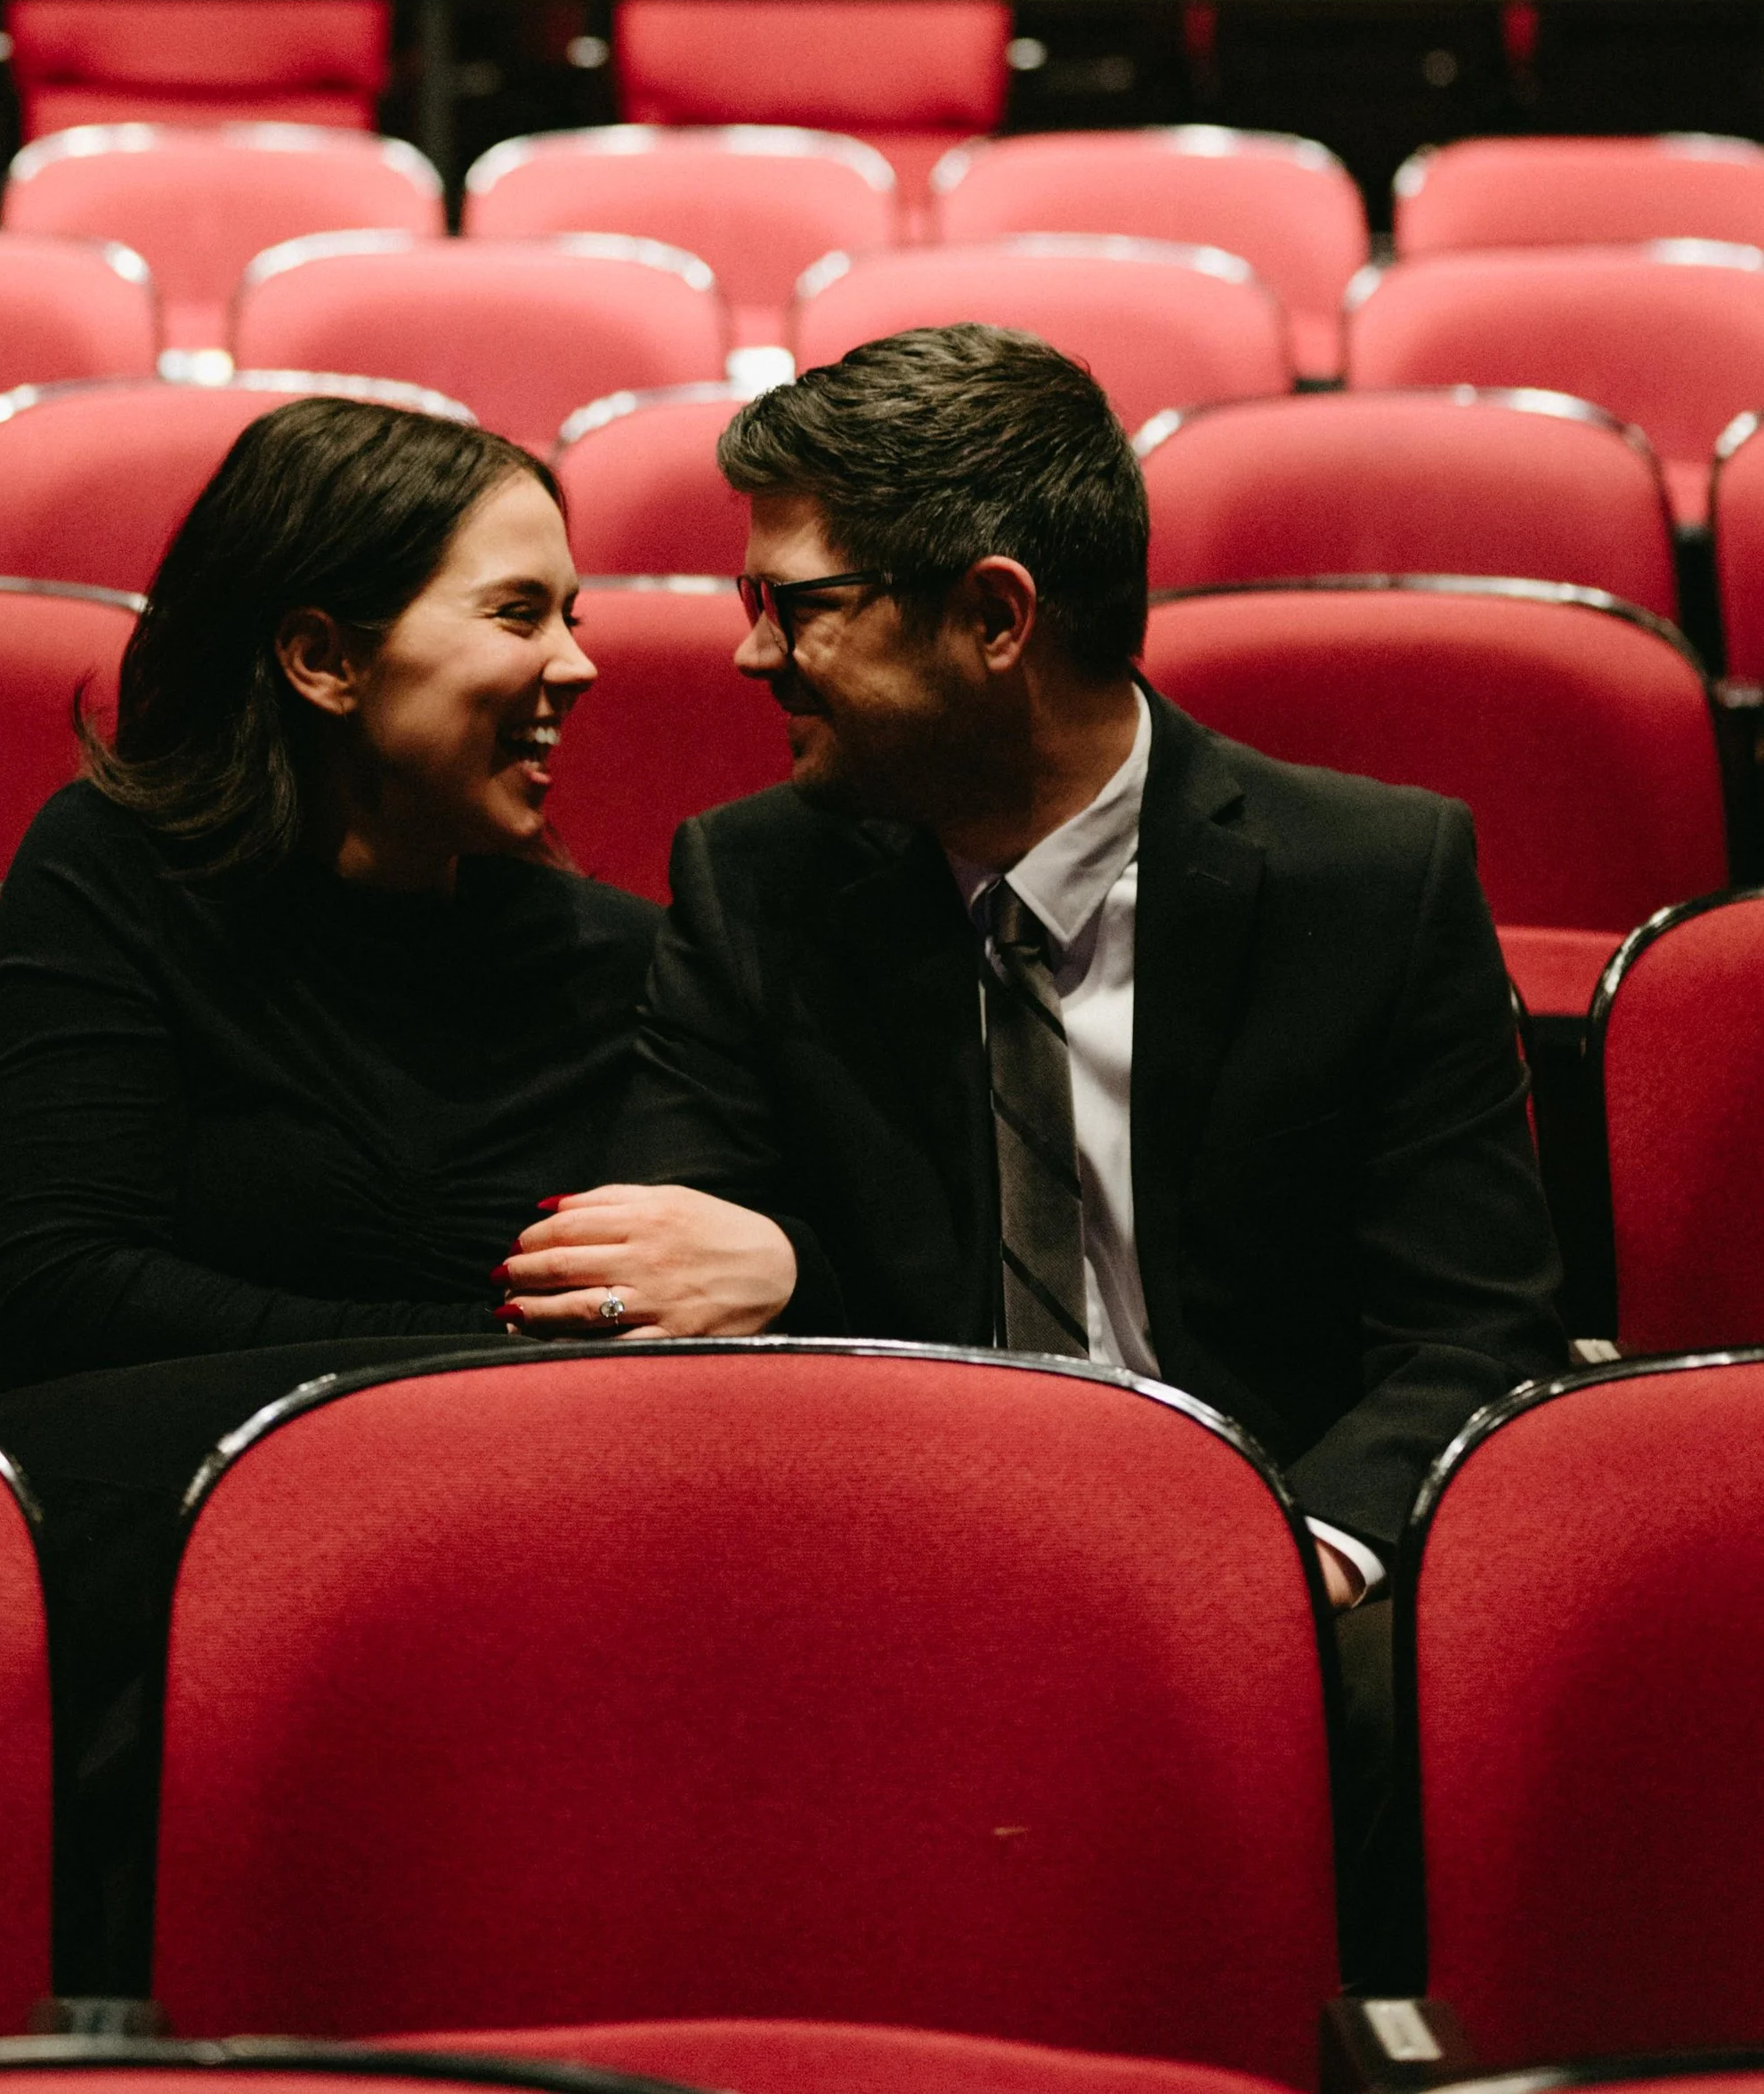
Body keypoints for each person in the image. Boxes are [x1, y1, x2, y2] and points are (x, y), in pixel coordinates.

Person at [495, 322, 1569, 1981]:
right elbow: (666, 1288)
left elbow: (1468, 1332)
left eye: (796, 604)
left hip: (1282, 1559)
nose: (748, 659)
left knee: (1412, 1698)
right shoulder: (755, 884)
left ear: (994, 617)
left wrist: (1283, 1555)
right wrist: (799, 1281)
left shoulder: (1371, 880)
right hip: (895, 1543)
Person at [0, 392, 658, 1982]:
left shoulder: (621, 962)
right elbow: (72, 1287)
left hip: (486, 1577)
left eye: (576, 614)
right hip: (136, 1539)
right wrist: (490, 1379)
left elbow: (667, 1327)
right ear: (323, 656)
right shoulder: (113, 872)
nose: (580, 665)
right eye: (520, 613)